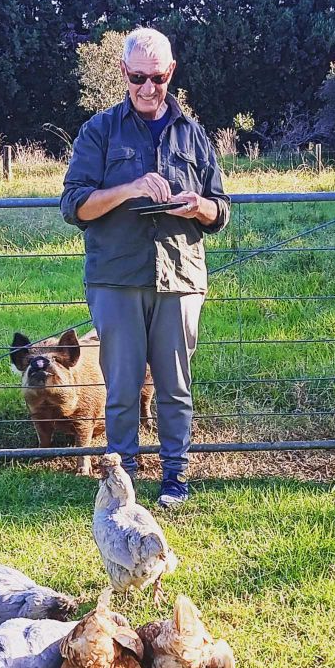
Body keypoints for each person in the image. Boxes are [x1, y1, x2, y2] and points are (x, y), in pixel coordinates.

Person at [61, 26, 230, 509]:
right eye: (138, 77)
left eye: (157, 77)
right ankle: (123, 480)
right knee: (121, 386)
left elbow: (222, 209)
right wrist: (130, 188)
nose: (148, 87)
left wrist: (199, 206)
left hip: (180, 276)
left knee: (175, 386)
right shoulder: (100, 131)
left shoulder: (193, 134)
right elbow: (75, 206)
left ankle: (176, 477)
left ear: (170, 73)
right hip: (116, 277)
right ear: (123, 73)